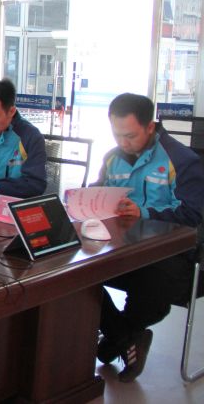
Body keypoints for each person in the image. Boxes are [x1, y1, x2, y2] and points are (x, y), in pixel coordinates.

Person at [94, 93, 204, 383]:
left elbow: (193, 214)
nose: (123, 142)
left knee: (153, 285)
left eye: (130, 136)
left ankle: (117, 337)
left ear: (150, 127)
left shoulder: (181, 161)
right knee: (76, 276)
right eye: (117, 134)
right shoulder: (113, 158)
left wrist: (143, 212)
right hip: (123, 248)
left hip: (171, 256)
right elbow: (99, 191)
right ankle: (124, 338)